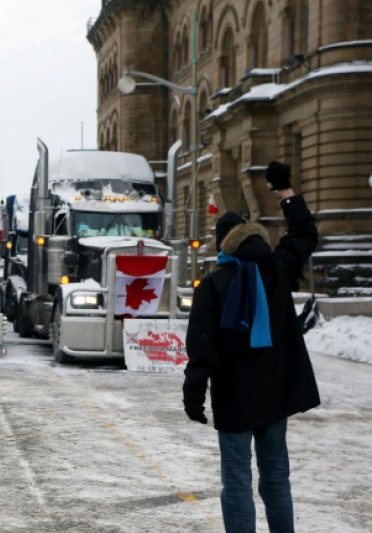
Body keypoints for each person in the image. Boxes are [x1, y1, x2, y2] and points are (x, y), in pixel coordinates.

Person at [182, 161, 320, 533]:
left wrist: (193, 395)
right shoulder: (278, 267)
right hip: (277, 394)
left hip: (235, 397)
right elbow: (305, 234)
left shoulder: (213, 286)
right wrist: (284, 191)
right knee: (276, 475)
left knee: (237, 478)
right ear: (254, 238)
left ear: (224, 247)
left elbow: (203, 347)